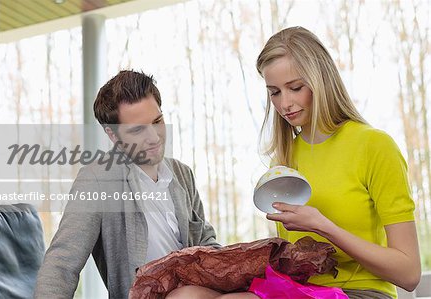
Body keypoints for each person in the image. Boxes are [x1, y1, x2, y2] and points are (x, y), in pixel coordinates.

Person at [168, 26, 421, 299]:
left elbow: (409, 274)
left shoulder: (374, 146)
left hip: (360, 291)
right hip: (299, 290)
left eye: (295, 88)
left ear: (321, 81)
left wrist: (323, 227)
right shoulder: (286, 159)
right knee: (185, 296)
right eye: (274, 92)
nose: (285, 103)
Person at [34, 70, 220, 299]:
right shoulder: (97, 181)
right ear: (113, 135)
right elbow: (62, 264)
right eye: (137, 129)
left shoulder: (182, 174)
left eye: (157, 121)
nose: (153, 137)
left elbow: (208, 245)